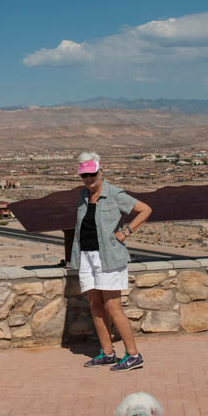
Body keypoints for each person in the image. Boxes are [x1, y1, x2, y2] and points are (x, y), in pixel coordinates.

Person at [73, 152, 152, 371]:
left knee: (112, 306)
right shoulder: (83, 196)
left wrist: (126, 231)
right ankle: (107, 353)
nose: (88, 179)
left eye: (91, 174)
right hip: (88, 256)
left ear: (100, 172)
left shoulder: (114, 193)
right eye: (84, 176)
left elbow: (145, 210)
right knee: (95, 305)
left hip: (109, 257)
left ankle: (133, 355)